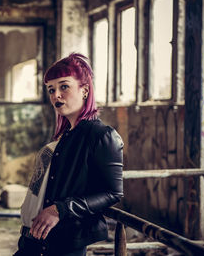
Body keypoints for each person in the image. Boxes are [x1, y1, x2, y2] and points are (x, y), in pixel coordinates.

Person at [13, 53, 124, 256]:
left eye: (64, 86)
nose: (56, 95)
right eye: (51, 89)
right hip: (31, 242)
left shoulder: (102, 136)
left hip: (60, 245)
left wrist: (59, 209)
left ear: (85, 90)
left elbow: (112, 193)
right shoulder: (64, 137)